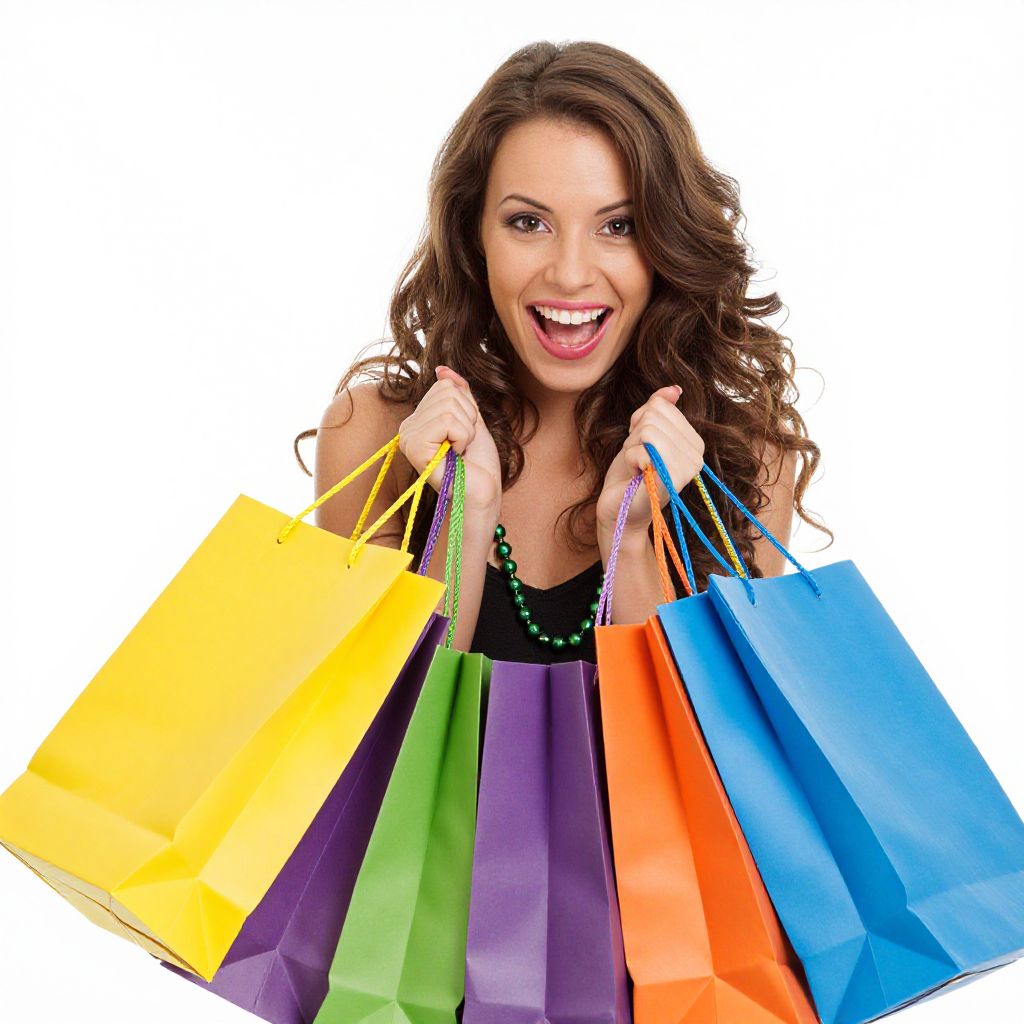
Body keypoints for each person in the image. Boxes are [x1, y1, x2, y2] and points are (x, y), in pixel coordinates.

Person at [293, 40, 831, 665]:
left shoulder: (748, 462)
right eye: (529, 223)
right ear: (475, 235)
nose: (571, 274)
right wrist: (465, 521)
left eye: (618, 225)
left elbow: (710, 756)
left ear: (667, 242)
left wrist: (631, 542)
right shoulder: (376, 436)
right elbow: (373, 738)